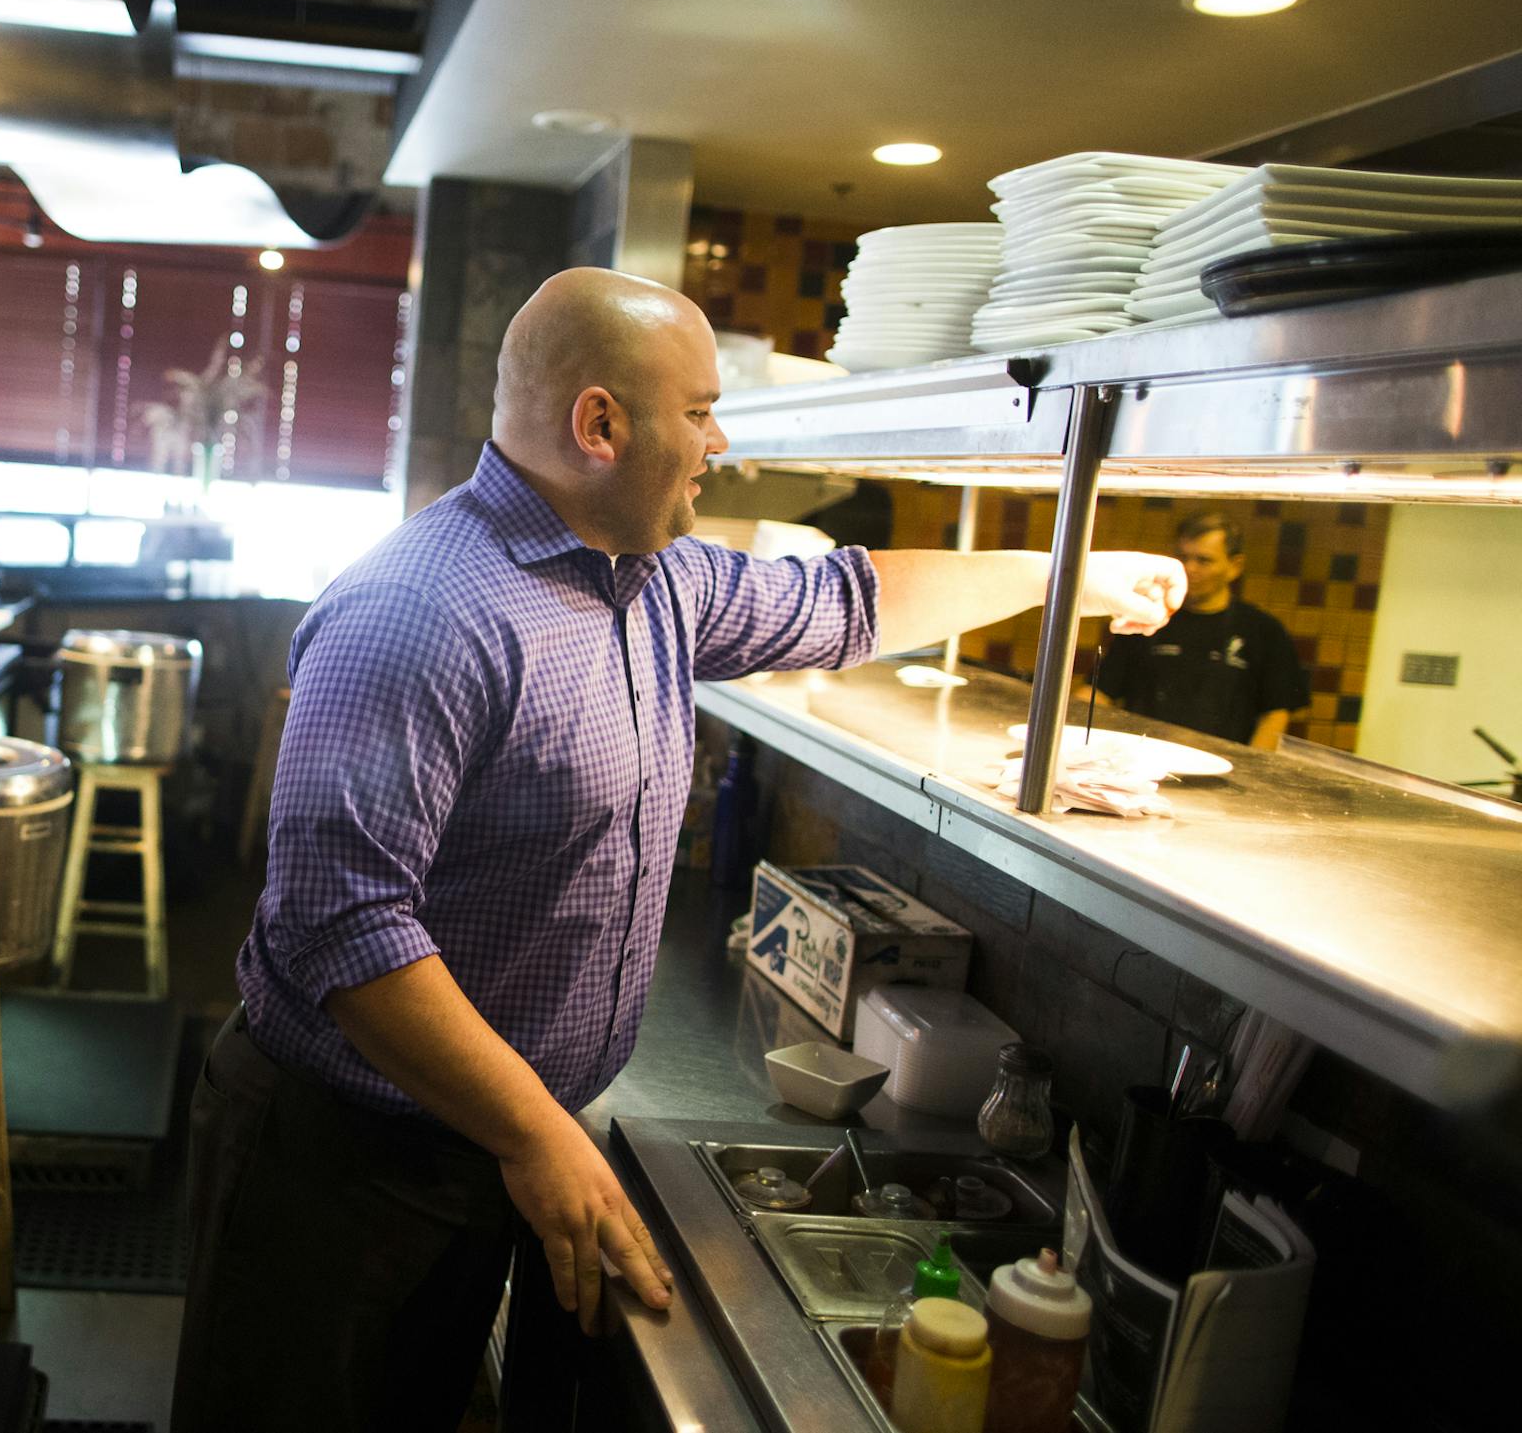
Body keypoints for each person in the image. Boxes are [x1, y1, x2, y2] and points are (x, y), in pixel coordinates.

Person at [169, 268, 1185, 1433]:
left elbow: (849, 600)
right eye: (700, 410)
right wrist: (537, 1129)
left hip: (476, 1143)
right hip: (338, 1160)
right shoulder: (421, 612)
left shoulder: (655, 584)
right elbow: (342, 929)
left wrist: (1071, 578)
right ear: (600, 424)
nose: (722, 440)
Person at [1092, 510, 1307, 750]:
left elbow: (1275, 715)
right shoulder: (1146, 619)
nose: (1189, 569)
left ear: (1235, 566)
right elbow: (1099, 694)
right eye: (1183, 558)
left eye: (1204, 560)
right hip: (1141, 762)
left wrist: (1252, 774)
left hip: (1225, 769)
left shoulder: (1263, 630)